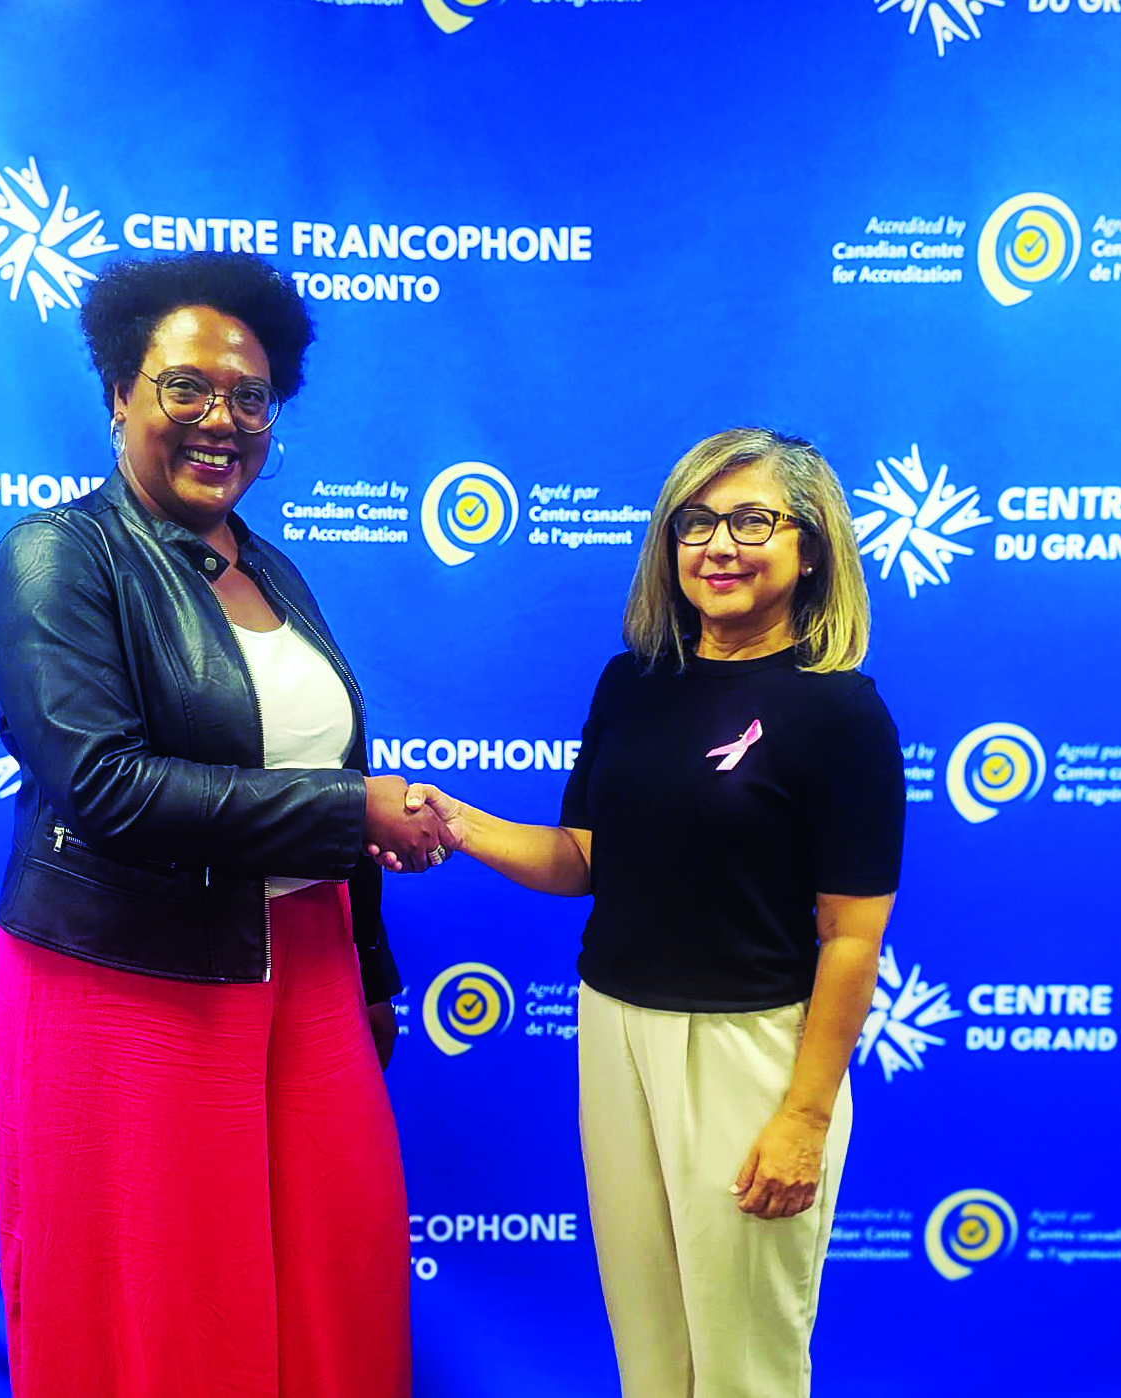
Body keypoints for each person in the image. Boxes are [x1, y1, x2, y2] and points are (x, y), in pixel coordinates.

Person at [0, 251, 446, 1398]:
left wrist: (371, 970)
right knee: (166, 1307)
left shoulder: (271, 569)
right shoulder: (56, 557)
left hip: (312, 969)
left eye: (250, 396)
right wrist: (348, 811)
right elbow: (107, 787)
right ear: (119, 396)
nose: (220, 418)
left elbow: (327, 765)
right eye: (184, 386)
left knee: (337, 1280)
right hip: (128, 978)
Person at [380, 428, 904, 1397]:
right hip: (613, 1032)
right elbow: (583, 860)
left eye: (752, 520)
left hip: (748, 1055)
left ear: (810, 547)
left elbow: (850, 938)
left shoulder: (840, 713)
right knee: (651, 1358)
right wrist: (457, 821)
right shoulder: (633, 682)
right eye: (694, 522)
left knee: (744, 1368)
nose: (719, 545)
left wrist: (803, 1117)